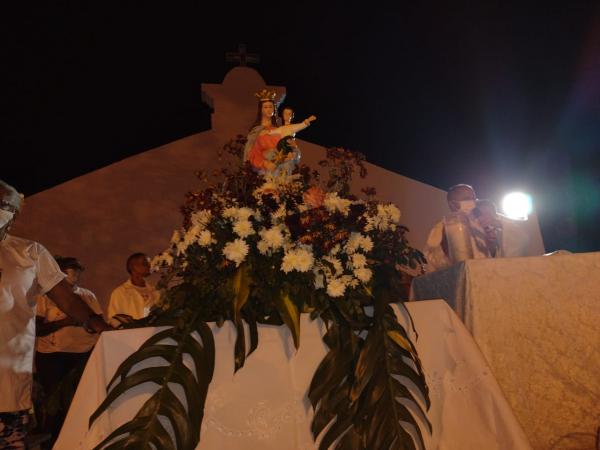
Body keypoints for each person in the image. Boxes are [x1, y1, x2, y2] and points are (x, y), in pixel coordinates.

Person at [0, 180, 111, 448]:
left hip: (8, 381)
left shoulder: (30, 252)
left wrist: (97, 324)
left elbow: (65, 297)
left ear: (15, 213)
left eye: (5, 205)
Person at [34, 256, 103, 446]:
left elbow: (97, 323)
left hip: (82, 354)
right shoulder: (43, 296)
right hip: (53, 357)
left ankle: (80, 440)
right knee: (56, 401)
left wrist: (86, 323)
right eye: (68, 271)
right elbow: (37, 329)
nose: (73, 275)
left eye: (77, 271)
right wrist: (65, 322)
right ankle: (55, 441)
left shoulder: (88, 296)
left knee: (80, 400)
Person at [243, 89, 316, 175]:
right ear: (260, 109)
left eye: (271, 107)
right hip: (264, 170)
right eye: (265, 107)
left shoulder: (280, 129)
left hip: (281, 167)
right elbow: (251, 153)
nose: (269, 110)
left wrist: (294, 150)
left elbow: (290, 148)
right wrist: (265, 163)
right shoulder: (256, 131)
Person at [423, 184, 489, 272]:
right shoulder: (442, 227)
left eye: (474, 198)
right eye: (467, 199)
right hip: (459, 275)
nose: (472, 202)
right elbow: (431, 256)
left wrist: (490, 242)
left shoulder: (480, 224)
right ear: (452, 204)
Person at [107, 252, 160, 327]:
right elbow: (113, 320)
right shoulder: (120, 292)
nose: (150, 266)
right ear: (132, 267)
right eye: (145, 263)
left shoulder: (155, 291)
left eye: (150, 263)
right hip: (131, 336)